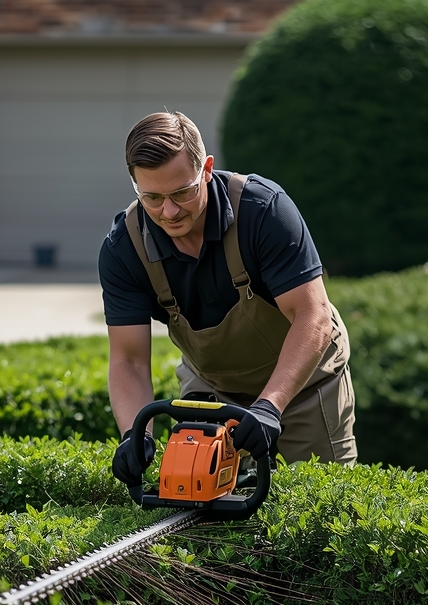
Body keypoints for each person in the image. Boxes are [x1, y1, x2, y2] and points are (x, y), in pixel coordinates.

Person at [99, 110, 357, 489]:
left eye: (182, 193)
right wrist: (135, 435)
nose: (168, 212)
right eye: (152, 197)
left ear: (206, 169)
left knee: (324, 503)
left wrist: (270, 406)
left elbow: (311, 315)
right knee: (200, 501)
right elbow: (129, 359)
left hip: (305, 384)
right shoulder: (125, 249)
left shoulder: (263, 211)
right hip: (213, 388)